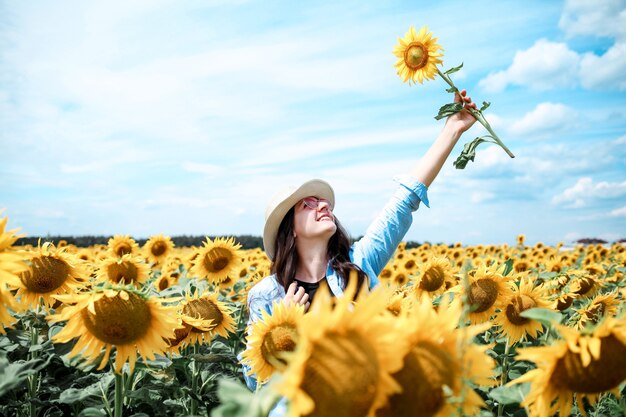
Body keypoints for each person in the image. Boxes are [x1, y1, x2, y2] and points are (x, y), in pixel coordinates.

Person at [240, 90, 478, 411]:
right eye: (306, 205)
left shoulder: (359, 264)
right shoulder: (266, 296)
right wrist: (282, 330)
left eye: (322, 201)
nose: (322, 204)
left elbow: (404, 201)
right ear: (291, 230)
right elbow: (258, 386)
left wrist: (451, 130)